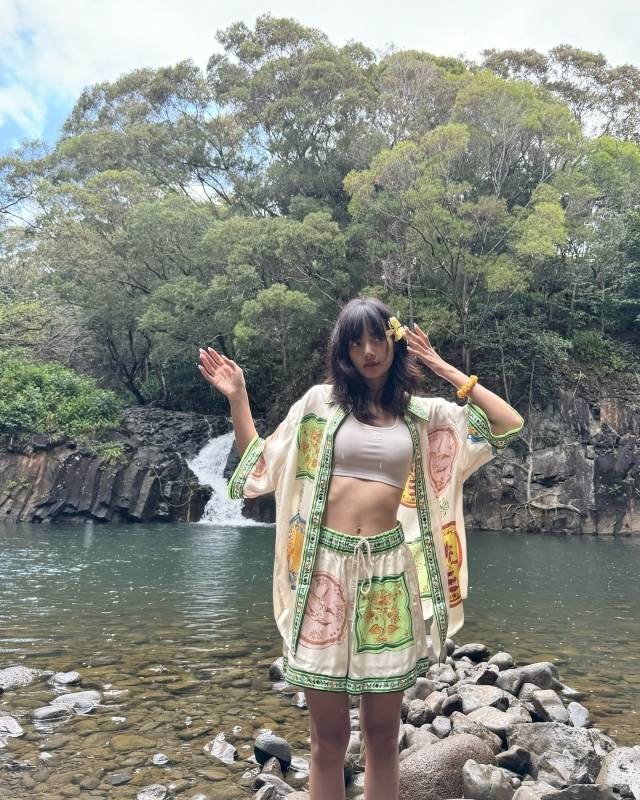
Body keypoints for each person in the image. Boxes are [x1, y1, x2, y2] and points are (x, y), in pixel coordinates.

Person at [198, 297, 524, 800]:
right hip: (323, 570)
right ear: (343, 351)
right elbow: (262, 464)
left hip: (388, 574)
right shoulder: (319, 405)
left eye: (377, 339)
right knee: (327, 740)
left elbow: (506, 422)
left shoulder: (423, 417)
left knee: (382, 737)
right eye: (356, 342)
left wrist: (439, 365)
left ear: (394, 343)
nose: (369, 351)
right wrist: (238, 397)